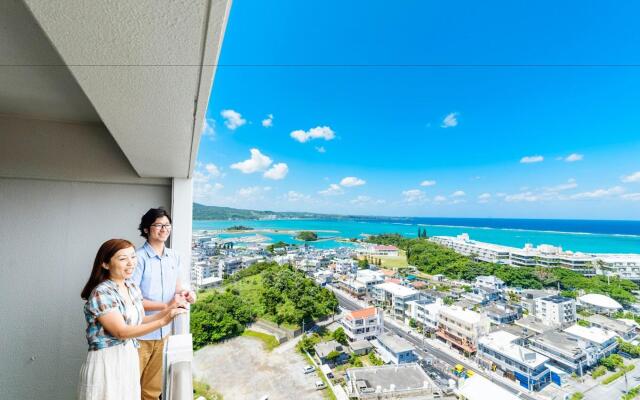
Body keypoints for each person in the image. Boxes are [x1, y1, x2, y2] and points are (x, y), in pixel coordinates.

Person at [78, 239, 186, 400]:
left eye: (133, 257)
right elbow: (121, 331)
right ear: (106, 264)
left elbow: (140, 320)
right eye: (123, 259)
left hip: (128, 357)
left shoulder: (131, 287)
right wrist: (163, 321)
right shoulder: (102, 292)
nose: (131, 263)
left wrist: (171, 309)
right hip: (107, 361)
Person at [133, 208, 196, 400]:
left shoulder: (174, 256)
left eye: (167, 225)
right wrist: (167, 306)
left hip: (164, 333)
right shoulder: (137, 258)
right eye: (158, 225)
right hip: (141, 334)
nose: (164, 229)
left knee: (152, 390)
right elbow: (133, 300)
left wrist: (186, 293)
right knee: (130, 385)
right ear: (146, 229)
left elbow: (177, 286)